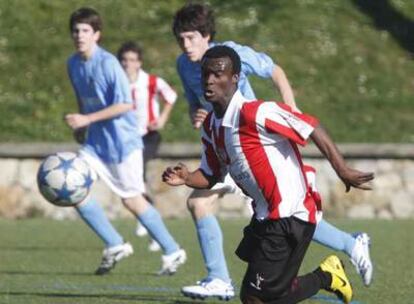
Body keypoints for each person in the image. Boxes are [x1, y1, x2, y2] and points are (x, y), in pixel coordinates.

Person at [171, 3, 372, 299]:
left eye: (191, 38)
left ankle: (219, 278)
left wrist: (292, 111)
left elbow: (281, 80)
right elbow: (209, 168)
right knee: (269, 289)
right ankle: (331, 270)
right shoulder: (210, 121)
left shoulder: (255, 107)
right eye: (181, 39)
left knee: (256, 293)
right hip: (251, 187)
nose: (210, 79)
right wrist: (187, 175)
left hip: (274, 180)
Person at [65, 7, 186, 276]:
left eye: (85, 30)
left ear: (97, 35)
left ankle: (172, 249)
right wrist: (83, 123)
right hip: (95, 145)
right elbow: (84, 100)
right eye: (76, 31)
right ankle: (114, 243)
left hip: (123, 144)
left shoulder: (108, 64)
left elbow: (124, 104)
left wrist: (87, 119)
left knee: (132, 200)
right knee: (72, 187)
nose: (79, 35)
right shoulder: (73, 63)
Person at [117, 41, 177, 252]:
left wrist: (161, 119)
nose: (128, 64)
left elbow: (171, 96)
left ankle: (148, 222)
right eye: (124, 60)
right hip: (125, 138)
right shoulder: (117, 82)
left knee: (137, 175)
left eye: (132, 60)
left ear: (139, 62)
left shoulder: (151, 81)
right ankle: (152, 226)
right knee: (133, 181)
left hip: (147, 136)